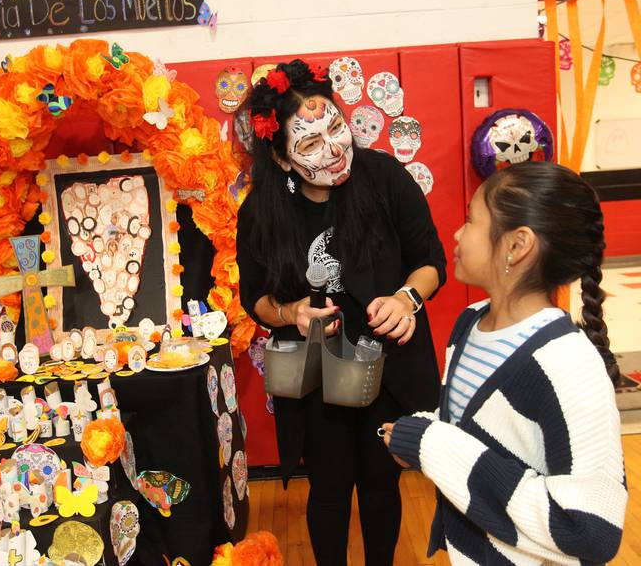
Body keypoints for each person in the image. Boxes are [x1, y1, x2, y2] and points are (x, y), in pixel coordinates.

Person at [236, 59, 446, 565]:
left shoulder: (384, 177)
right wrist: (289, 313)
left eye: (335, 125)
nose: (334, 147)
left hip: (386, 367)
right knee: (328, 488)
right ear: (283, 160)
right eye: (309, 144)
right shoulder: (262, 211)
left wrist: (405, 300)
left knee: (380, 481)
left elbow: (430, 260)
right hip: (317, 376)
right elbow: (256, 299)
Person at [382, 162, 627, 565]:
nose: (457, 234)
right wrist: (424, 431)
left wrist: (435, 445)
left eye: (470, 220)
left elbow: (592, 531)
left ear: (517, 245)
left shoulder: (567, 362)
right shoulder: (470, 323)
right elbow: (484, 432)